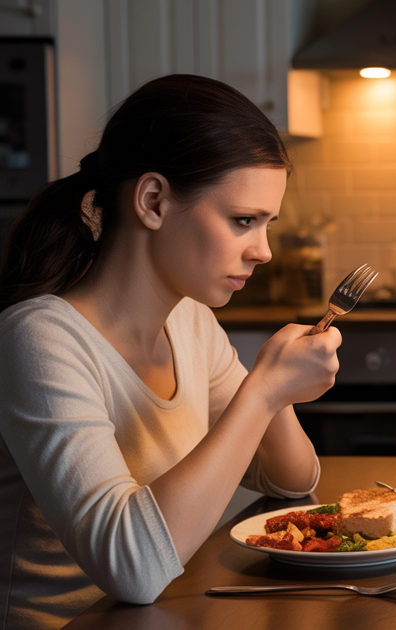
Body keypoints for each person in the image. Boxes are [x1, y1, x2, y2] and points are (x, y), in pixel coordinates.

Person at [0, 75, 340, 629]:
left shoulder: (190, 323)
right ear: (153, 201)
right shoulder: (40, 341)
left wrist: (276, 392)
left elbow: (292, 483)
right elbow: (131, 568)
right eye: (243, 221)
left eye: (268, 223)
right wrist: (263, 393)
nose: (265, 251)